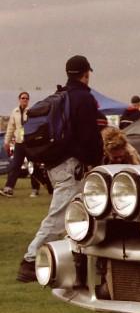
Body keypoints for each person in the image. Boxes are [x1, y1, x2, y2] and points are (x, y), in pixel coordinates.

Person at [17, 55, 102, 283]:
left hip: (56, 165)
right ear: (86, 73)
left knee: (83, 215)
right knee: (59, 217)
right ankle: (30, 260)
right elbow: (89, 137)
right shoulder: (84, 98)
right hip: (72, 166)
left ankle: (81, 264)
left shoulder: (61, 96)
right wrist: (96, 159)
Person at [2, 91, 42, 198]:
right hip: (19, 143)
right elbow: (11, 128)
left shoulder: (31, 111)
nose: (24, 100)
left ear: (28, 100)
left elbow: (35, 127)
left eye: (26, 98)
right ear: (19, 99)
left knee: (32, 166)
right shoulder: (14, 112)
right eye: (23, 98)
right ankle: (8, 188)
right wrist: (7, 141)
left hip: (30, 143)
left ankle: (35, 189)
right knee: (15, 165)